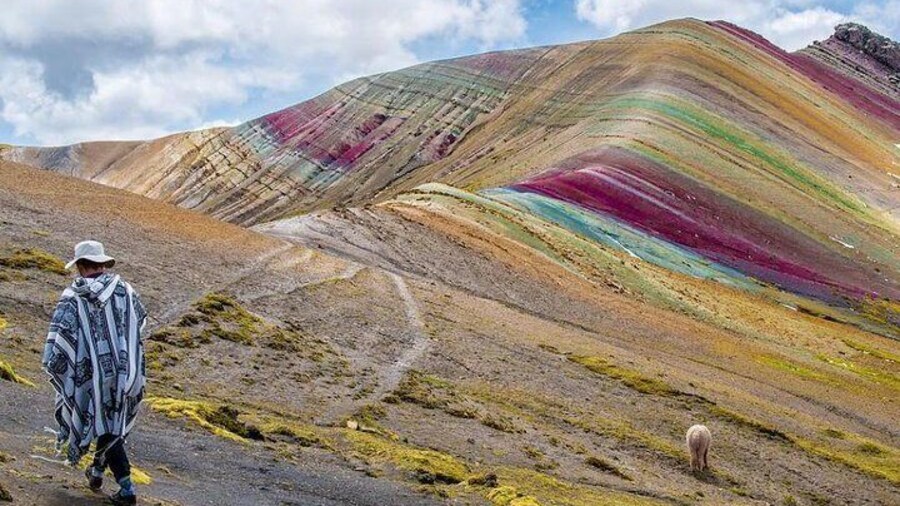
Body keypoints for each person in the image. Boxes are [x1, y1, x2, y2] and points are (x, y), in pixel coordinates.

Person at [41, 240, 147, 505]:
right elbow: (139, 323)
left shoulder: (75, 295)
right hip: (126, 371)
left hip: (90, 373)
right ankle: (97, 472)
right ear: (101, 263)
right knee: (109, 420)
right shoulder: (127, 291)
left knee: (105, 422)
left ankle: (127, 489)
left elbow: (60, 336)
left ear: (80, 266)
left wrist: (60, 362)